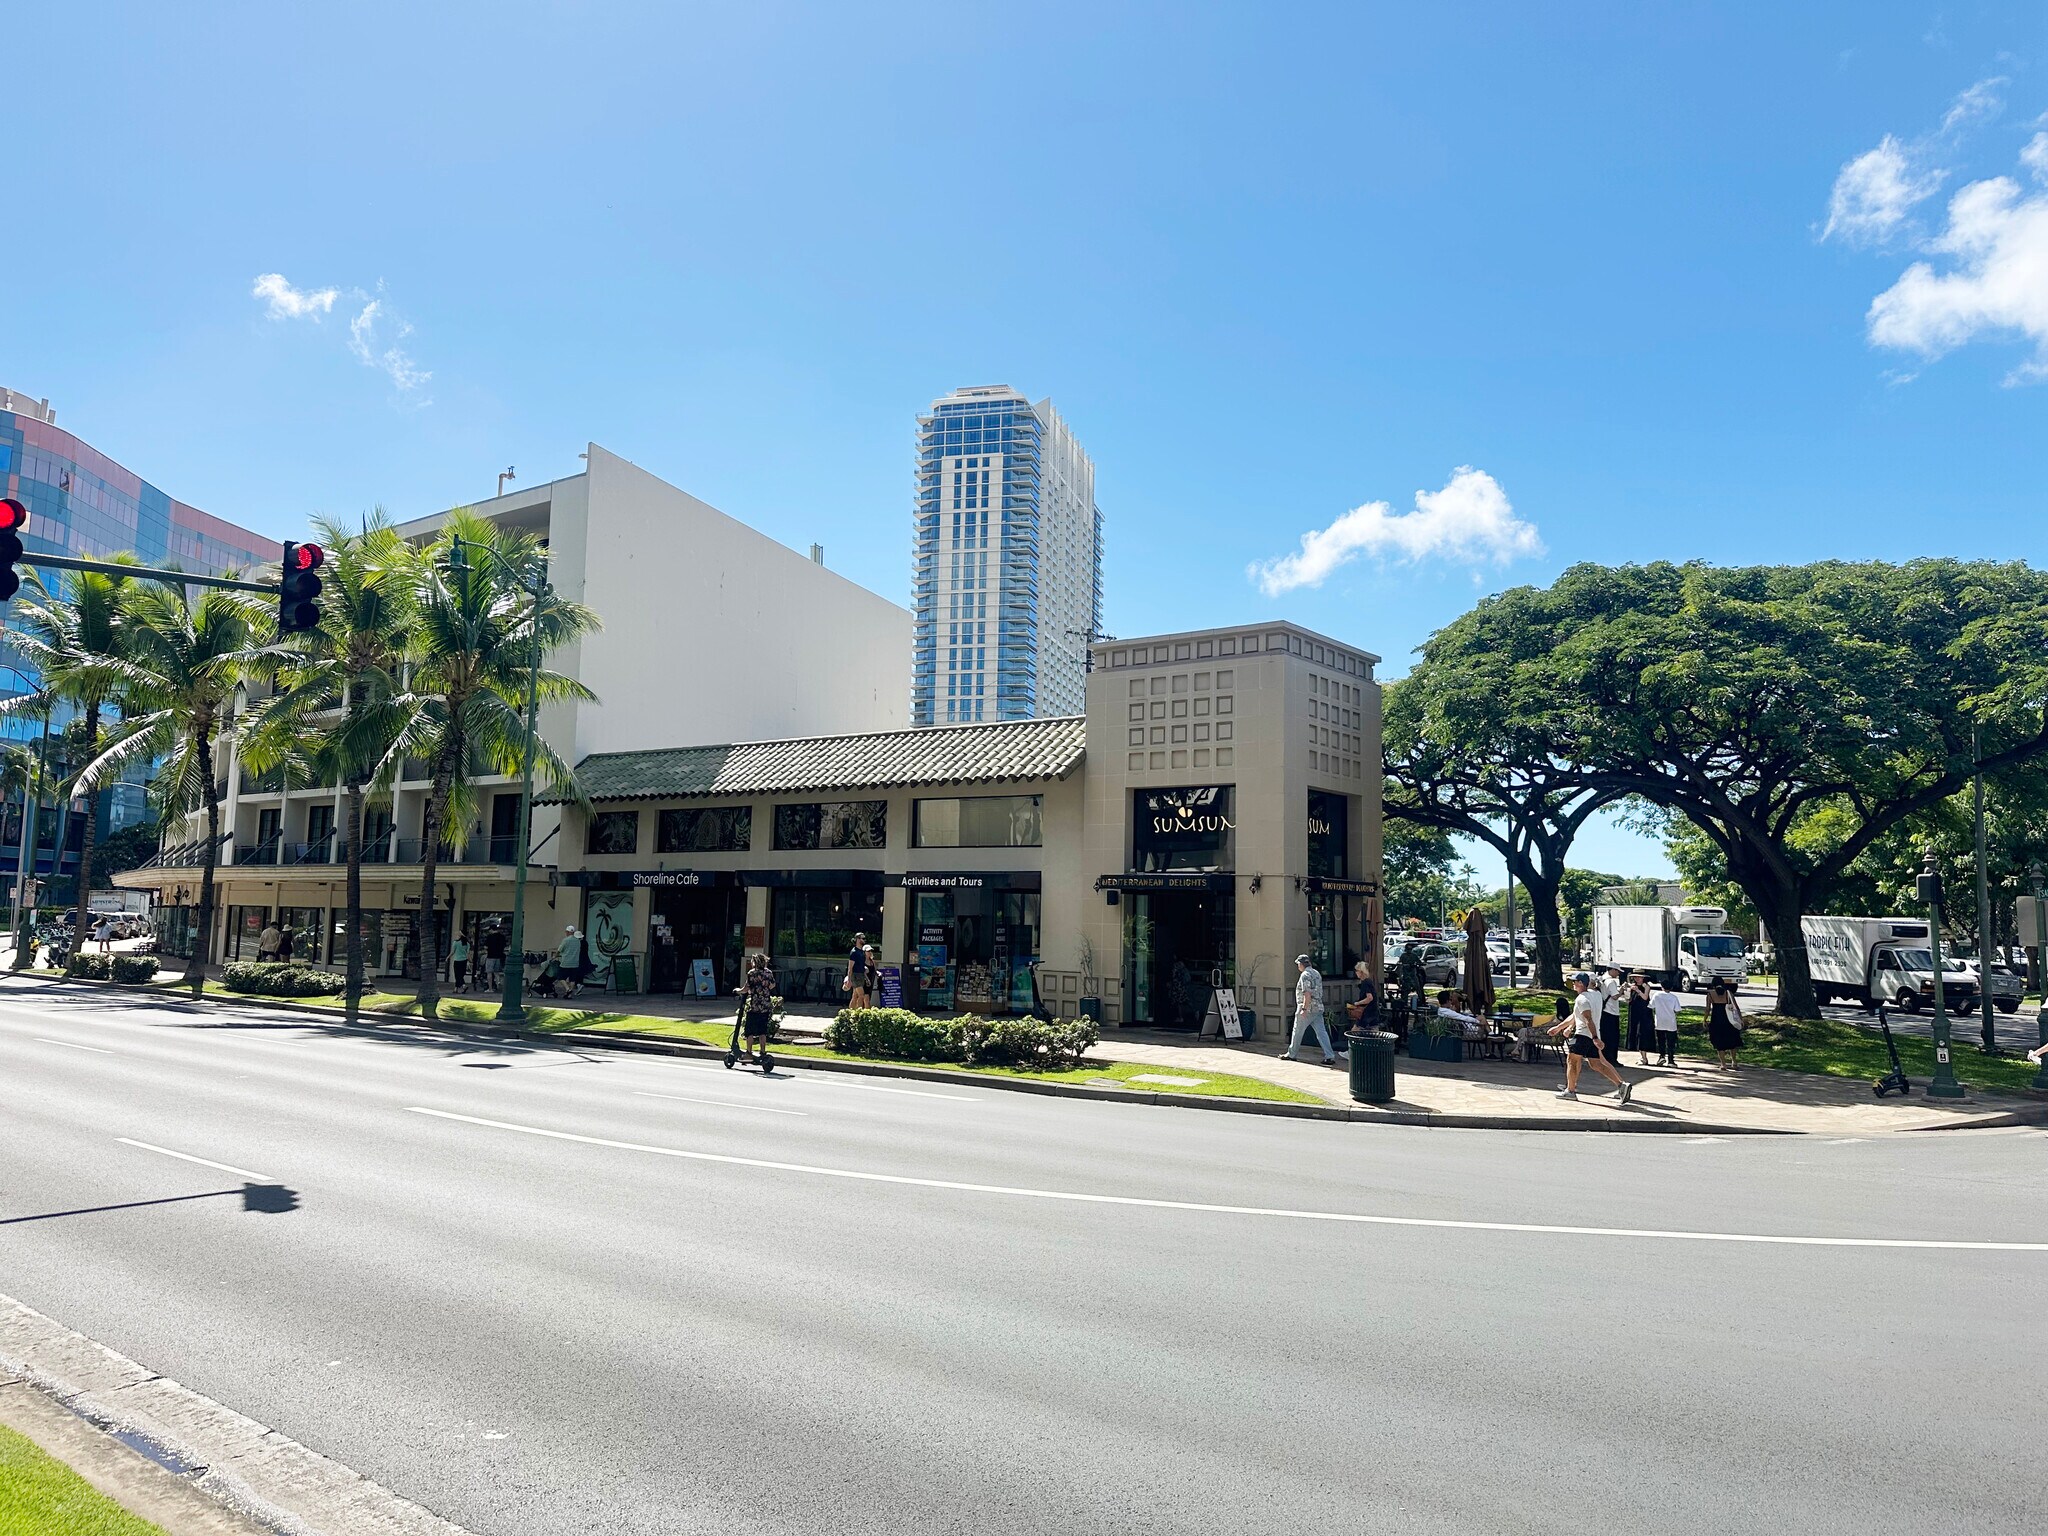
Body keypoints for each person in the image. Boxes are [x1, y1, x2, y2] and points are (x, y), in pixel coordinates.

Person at [1550, 973, 1633, 1102]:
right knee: (1596, 1064)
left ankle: (1570, 1091)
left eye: (1575, 981)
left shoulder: (1581, 999)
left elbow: (1588, 1019)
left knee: (1572, 1060)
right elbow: (1576, 1015)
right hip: (1592, 1034)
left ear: (1581, 983)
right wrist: (1559, 1027)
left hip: (1584, 1034)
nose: (1573, 984)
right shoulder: (1596, 995)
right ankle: (1621, 1085)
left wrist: (1594, 1038)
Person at [1281, 954, 1336, 1065]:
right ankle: (1330, 1055)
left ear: (1302, 964)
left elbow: (1307, 994)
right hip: (1318, 1007)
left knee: (1297, 1031)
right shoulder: (1316, 973)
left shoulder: (1304, 975)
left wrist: (1304, 1009)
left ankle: (1292, 1054)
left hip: (1307, 1007)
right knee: (1322, 1033)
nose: (1298, 967)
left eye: (1298, 964)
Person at [740, 952, 777, 1066]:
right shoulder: (768, 973)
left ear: (754, 962)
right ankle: (762, 1052)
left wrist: (738, 991)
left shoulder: (752, 973)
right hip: (765, 1006)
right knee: (762, 1031)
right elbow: (772, 985)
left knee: (749, 1031)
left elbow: (746, 988)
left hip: (755, 1006)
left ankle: (749, 1053)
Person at [1706, 980, 1745, 1068]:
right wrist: (1741, 1019)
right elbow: (1736, 1007)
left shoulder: (1710, 995)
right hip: (1729, 1020)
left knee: (1719, 1043)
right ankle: (1734, 1062)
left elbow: (1708, 1009)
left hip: (1716, 1020)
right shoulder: (1728, 993)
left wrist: (1705, 1019)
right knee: (1732, 1041)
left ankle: (1723, 1064)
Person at [1651, 978, 1683, 1067]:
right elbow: (1677, 1009)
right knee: (1671, 1041)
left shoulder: (1656, 995)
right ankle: (1671, 1059)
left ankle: (1661, 1056)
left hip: (1660, 1021)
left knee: (1661, 1040)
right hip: (1671, 1022)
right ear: (1671, 987)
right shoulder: (1673, 997)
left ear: (1662, 987)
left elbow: (1651, 1005)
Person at [1626, 973, 1655, 1065]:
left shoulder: (1646, 986)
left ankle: (1644, 1057)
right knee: (1635, 1031)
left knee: (1642, 1032)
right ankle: (1641, 1055)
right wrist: (1627, 991)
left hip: (1644, 1012)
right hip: (1634, 1011)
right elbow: (1628, 1000)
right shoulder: (1632, 986)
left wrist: (1638, 990)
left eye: (1639, 977)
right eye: (1635, 977)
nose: (1637, 979)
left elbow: (1645, 997)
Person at [1598, 967, 1624, 1065]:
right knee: (1613, 1037)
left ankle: (1604, 1058)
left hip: (1604, 1011)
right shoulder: (1611, 981)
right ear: (1612, 970)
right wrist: (1621, 990)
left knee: (1605, 1036)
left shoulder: (1602, 979)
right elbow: (1614, 996)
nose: (1618, 973)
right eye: (1617, 971)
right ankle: (1612, 1059)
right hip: (1611, 1011)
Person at [1345, 964, 1380, 1032]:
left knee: (1354, 1032)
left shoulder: (1365, 982)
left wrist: (1358, 1003)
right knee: (1373, 1034)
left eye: (1357, 971)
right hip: (1372, 1013)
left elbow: (1369, 998)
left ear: (1361, 972)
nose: (1356, 972)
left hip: (1366, 1013)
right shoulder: (1368, 981)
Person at [558, 925, 587, 999]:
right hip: (575, 963)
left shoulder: (565, 940)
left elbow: (560, 950)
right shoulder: (578, 941)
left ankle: (567, 989)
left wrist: (555, 956)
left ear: (567, 932)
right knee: (572, 979)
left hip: (566, 962)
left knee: (561, 977)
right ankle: (569, 994)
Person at [845, 930, 872, 1009]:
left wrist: (866, 978)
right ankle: (858, 1012)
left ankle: (850, 1011)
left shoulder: (861, 952)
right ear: (857, 939)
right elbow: (850, 967)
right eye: (862, 938)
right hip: (855, 975)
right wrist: (849, 980)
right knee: (861, 995)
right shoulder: (854, 952)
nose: (864, 940)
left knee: (855, 995)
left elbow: (862, 966)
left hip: (861, 975)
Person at [482, 923, 509, 990]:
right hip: (499, 956)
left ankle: (490, 988)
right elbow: (505, 946)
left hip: (491, 956)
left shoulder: (489, 937)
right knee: (497, 972)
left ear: (491, 929)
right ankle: (498, 982)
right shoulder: (502, 937)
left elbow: (485, 947)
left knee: (489, 972)